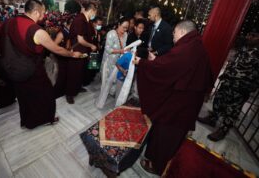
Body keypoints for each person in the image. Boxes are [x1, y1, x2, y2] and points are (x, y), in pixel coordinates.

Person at [133, 21, 213, 176]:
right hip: (187, 102)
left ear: (182, 32)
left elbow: (167, 68)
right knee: (167, 132)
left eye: (174, 33)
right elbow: (175, 67)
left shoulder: (187, 48)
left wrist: (142, 63)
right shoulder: (196, 46)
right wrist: (157, 62)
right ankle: (156, 158)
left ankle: (158, 165)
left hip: (179, 105)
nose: (173, 36)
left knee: (167, 134)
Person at [0, 0, 81, 129]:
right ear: (35, 12)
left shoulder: (9, 22)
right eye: (43, 12)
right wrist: (72, 54)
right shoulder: (37, 31)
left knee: (24, 97)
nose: (44, 15)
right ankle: (45, 119)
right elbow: (56, 49)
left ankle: (27, 121)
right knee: (46, 95)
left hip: (12, 68)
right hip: (31, 69)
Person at [198, 32, 259, 141]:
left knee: (232, 110)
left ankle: (223, 130)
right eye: (249, 34)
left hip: (240, 88)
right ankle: (212, 119)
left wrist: (248, 87)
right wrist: (225, 74)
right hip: (228, 83)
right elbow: (233, 63)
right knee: (218, 101)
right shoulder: (243, 49)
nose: (249, 37)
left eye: (254, 36)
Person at [65, 3, 98, 104]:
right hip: (77, 50)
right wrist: (91, 46)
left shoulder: (87, 20)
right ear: (92, 11)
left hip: (84, 51)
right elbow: (80, 40)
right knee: (74, 72)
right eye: (95, 13)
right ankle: (69, 94)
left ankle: (77, 88)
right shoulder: (80, 19)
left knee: (80, 72)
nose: (95, 15)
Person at [100, 17, 129, 97]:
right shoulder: (111, 33)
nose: (125, 29)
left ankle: (112, 91)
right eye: (124, 27)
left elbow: (124, 46)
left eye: (127, 28)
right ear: (119, 24)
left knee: (115, 76)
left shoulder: (126, 34)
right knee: (107, 77)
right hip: (109, 59)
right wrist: (120, 51)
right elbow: (108, 49)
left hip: (118, 59)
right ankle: (105, 92)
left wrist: (126, 50)